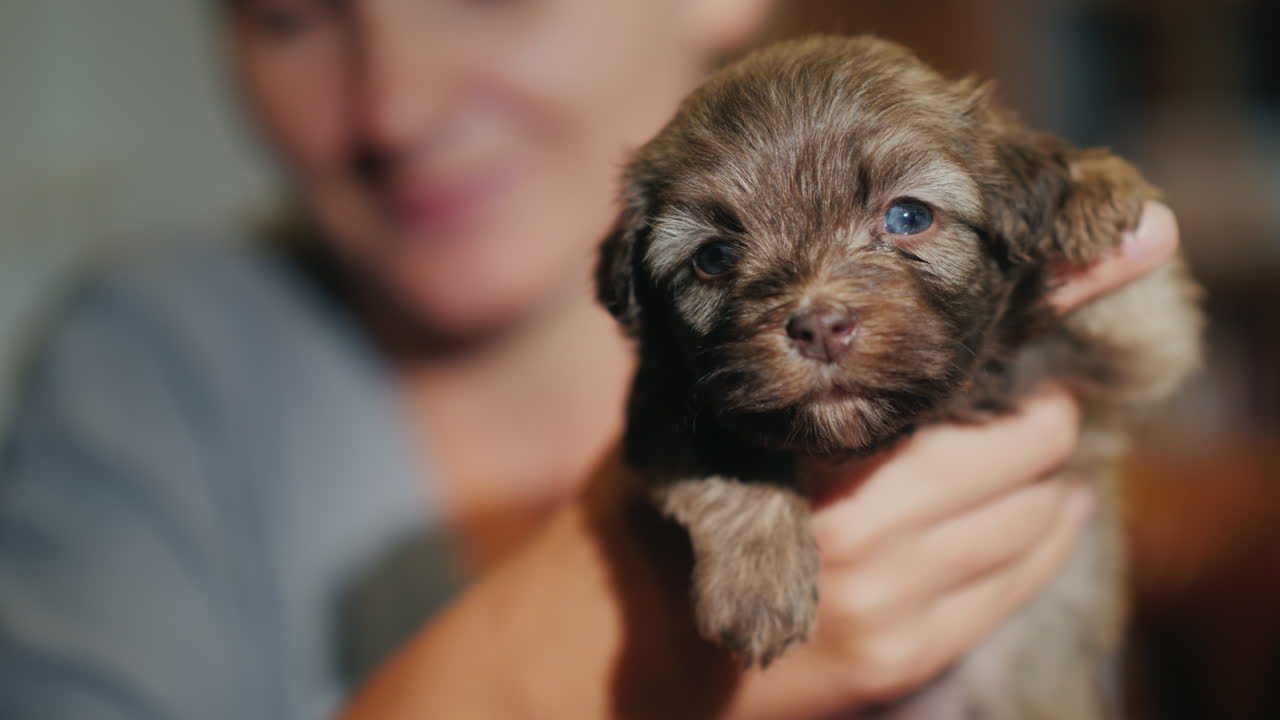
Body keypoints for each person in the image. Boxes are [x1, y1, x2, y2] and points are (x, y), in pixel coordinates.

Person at [0, 1, 1180, 718]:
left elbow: (1142, 368)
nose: (396, 106)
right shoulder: (146, 372)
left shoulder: (1017, 251)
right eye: (288, 13)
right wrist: (587, 662)